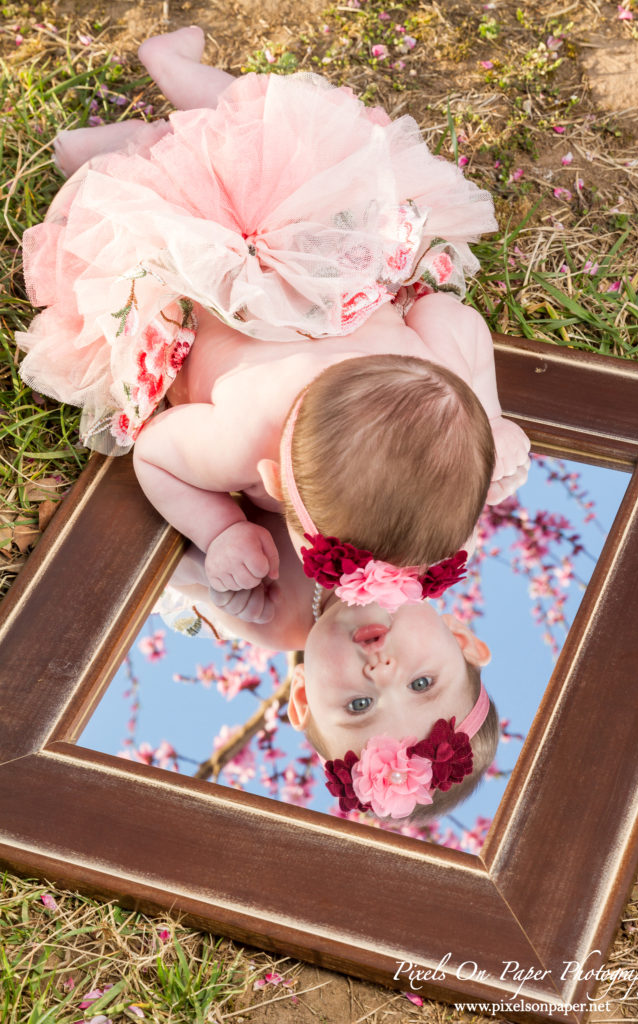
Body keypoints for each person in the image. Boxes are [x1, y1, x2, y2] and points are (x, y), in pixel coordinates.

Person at [16, 27, 530, 623]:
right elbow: (153, 455)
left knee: (268, 139)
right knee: (169, 188)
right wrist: (221, 526)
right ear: (270, 481)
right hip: (193, 267)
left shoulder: (435, 373)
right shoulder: (239, 436)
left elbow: (449, 313)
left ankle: (167, 80)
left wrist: (487, 415)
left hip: (311, 253)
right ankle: (114, 150)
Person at [160, 502, 498, 823]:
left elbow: (163, 555)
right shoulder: (428, 538)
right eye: (421, 683)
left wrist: (210, 567)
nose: (381, 672)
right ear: (461, 641)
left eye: (360, 704)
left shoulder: (263, 610)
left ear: (304, 697)